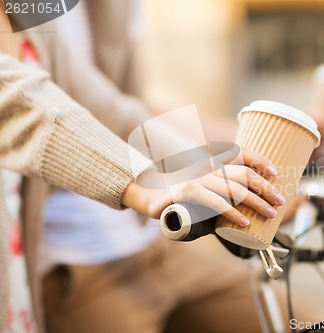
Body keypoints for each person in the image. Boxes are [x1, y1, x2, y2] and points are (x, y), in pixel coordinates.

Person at [0, 3, 285, 333]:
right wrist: (142, 180)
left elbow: (112, 109)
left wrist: (214, 170)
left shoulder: (32, 18)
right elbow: (24, 103)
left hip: (136, 241)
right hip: (73, 258)